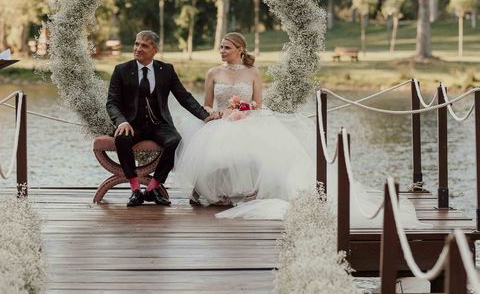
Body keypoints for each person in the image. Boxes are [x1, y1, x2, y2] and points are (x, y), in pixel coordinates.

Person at [173, 32, 426, 228]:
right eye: (221, 47)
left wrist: (244, 111)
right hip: (220, 119)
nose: (222, 51)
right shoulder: (213, 73)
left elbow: (259, 104)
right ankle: (216, 193)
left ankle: (249, 192)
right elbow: (206, 102)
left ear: (240, 50)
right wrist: (214, 113)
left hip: (247, 118)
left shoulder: (253, 72)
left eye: (226, 48)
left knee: (255, 148)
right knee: (213, 147)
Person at [106, 30, 215, 207]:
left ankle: (153, 188)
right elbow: (112, 103)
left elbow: (184, 97)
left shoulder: (166, 70)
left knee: (176, 142)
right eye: (136, 44)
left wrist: (205, 116)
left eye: (144, 45)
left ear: (154, 50)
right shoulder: (121, 70)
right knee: (122, 139)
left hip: (160, 124)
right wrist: (122, 121)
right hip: (132, 124)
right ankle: (135, 190)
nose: (138, 48)